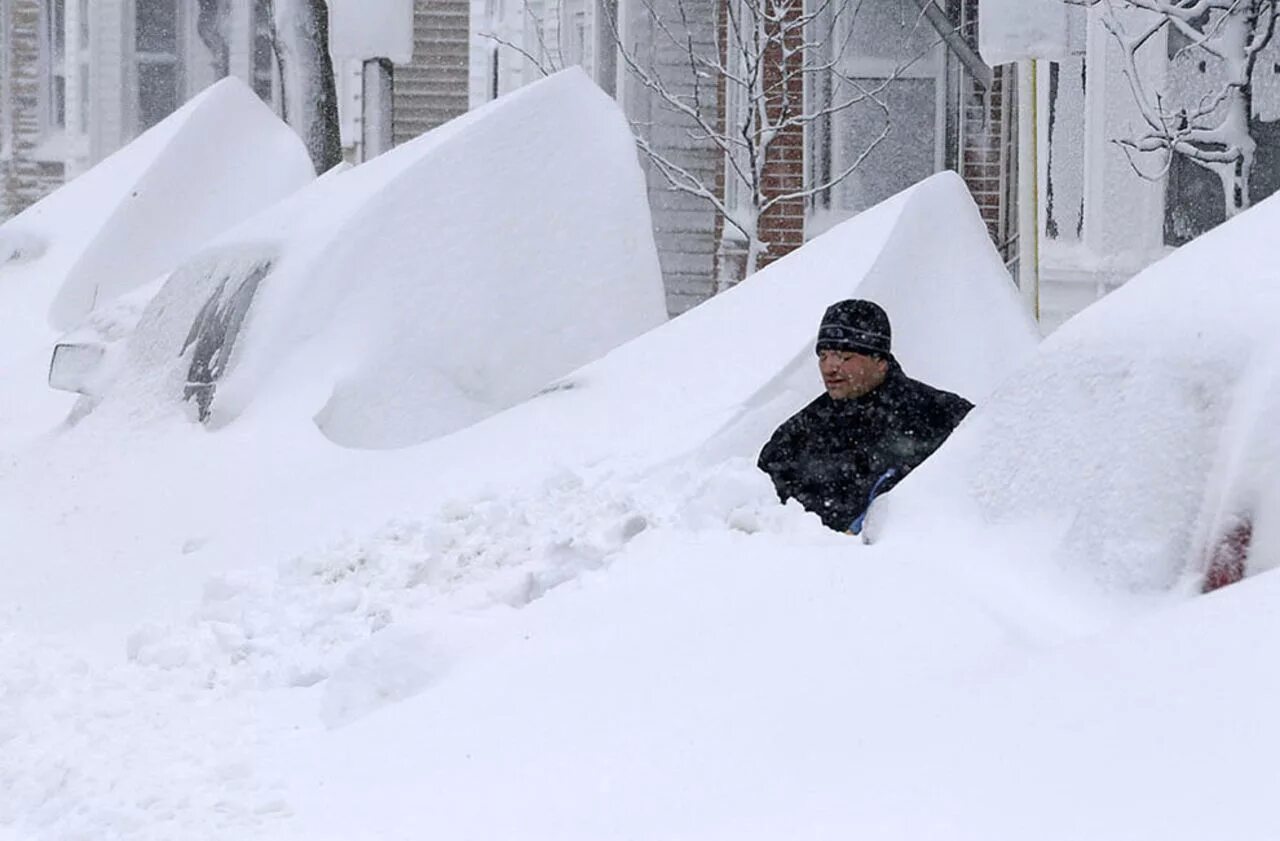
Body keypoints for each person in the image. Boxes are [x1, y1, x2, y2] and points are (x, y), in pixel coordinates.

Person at [757, 299, 972, 532]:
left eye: (844, 356)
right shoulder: (797, 436)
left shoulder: (943, 416)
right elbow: (758, 513)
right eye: (823, 356)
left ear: (880, 361)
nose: (829, 367)